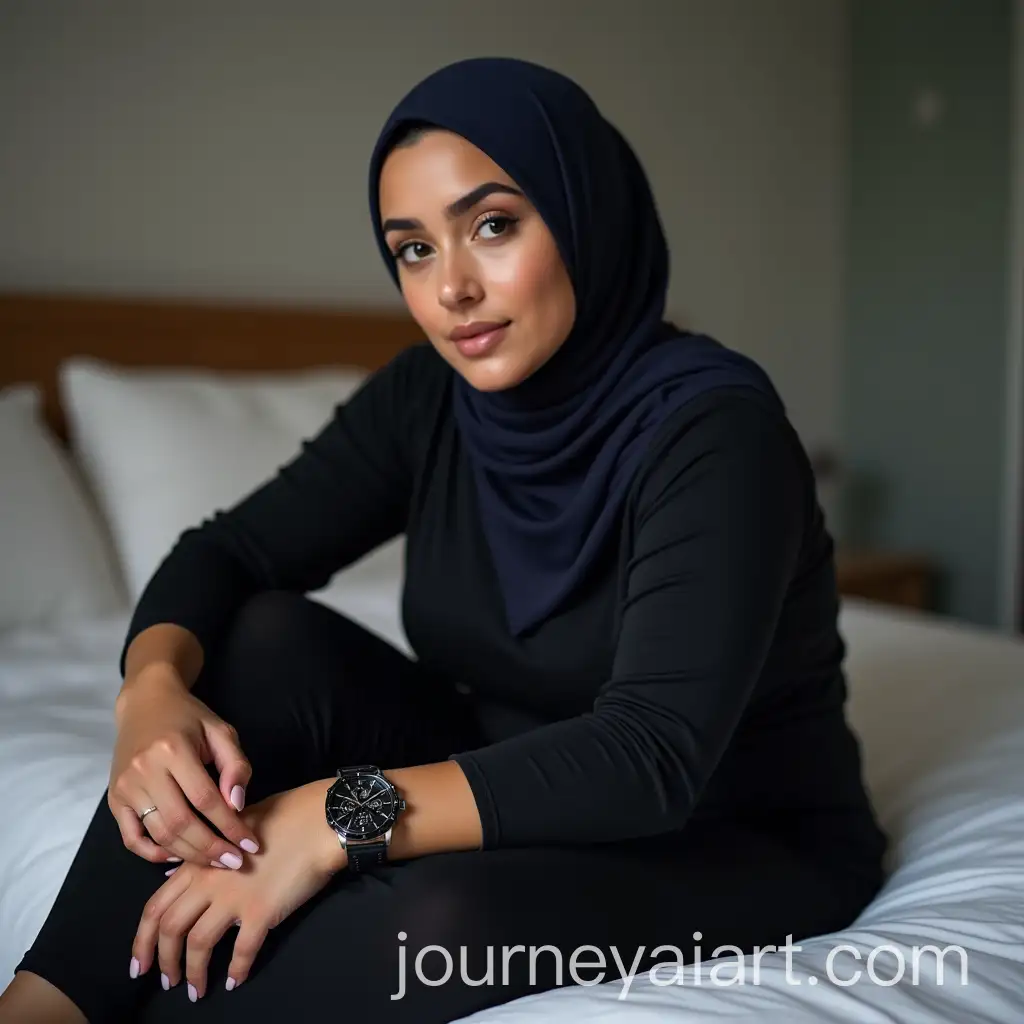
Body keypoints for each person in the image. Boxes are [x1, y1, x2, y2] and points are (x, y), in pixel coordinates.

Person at [0, 56, 888, 1024]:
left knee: (437, 923)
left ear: (585, 216)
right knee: (263, 635)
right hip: (509, 766)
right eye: (414, 249)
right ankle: (41, 1006)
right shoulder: (431, 396)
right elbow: (230, 553)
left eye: (493, 225)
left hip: (727, 832)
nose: (452, 287)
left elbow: (650, 758)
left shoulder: (717, 434)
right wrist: (148, 695)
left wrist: (331, 818)